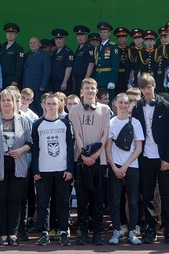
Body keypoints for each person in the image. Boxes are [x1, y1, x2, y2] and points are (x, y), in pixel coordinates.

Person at [0, 88, 33, 246]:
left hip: (18, 165)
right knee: (1, 200)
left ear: (14, 102)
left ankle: (14, 234)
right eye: (3, 100)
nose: (6, 103)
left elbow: (30, 142)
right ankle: (3, 234)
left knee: (15, 200)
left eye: (8, 100)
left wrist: (21, 150)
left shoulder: (23, 120)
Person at [131, 73, 169, 245]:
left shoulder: (164, 106)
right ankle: (151, 228)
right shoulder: (137, 107)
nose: (147, 91)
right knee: (147, 194)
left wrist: (168, 158)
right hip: (145, 158)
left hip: (162, 158)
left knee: (166, 194)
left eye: (149, 87)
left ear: (154, 86)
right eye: (143, 88)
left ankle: (168, 227)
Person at [68, 78, 110, 245]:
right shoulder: (75, 110)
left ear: (96, 90)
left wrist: (96, 154)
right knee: (82, 199)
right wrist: (84, 155)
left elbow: (105, 135)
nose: (90, 90)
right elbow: (76, 134)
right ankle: (83, 232)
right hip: (80, 161)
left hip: (100, 161)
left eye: (93, 88)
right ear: (82, 90)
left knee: (98, 200)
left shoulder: (105, 109)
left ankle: (97, 232)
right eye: (87, 88)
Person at [31, 93, 75, 246]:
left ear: (59, 105)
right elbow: (34, 149)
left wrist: (70, 169)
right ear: (43, 105)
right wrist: (35, 170)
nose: (51, 106)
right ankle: (45, 232)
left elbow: (70, 148)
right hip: (43, 170)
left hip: (62, 170)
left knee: (63, 202)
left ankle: (63, 232)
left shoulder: (65, 124)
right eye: (48, 104)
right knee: (43, 203)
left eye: (54, 104)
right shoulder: (37, 124)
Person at [106, 94, 145, 246]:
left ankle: (132, 232)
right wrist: (114, 167)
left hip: (132, 167)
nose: (123, 105)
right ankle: (116, 231)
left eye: (126, 103)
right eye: (120, 102)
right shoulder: (110, 123)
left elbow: (138, 148)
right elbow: (107, 149)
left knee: (133, 201)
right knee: (115, 201)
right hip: (115, 167)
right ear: (115, 104)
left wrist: (125, 166)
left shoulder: (135, 123)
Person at [22, 37, 51, 115]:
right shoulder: (27, 55)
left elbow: (47, 71)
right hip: (28, 87)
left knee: (39, 109)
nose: (33, 44)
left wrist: (43, 85)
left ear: (39, 44)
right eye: (31, 43)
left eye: (35, 43)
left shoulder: (44, 55)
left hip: (39, 88)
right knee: (29, 109)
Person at [91, 22, 120, 96]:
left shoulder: (113, 46)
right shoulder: (97, 47)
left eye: (104, 32)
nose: (102, 34)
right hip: (98, 79)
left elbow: (115, 64)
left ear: (109, 33)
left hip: (107, 78)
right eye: (101, 32)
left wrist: (113, 81)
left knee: (108, 99)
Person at [1, 23, 25, 89]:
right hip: (2, 78)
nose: (10, 35)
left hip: (12, 79)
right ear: (6, 34)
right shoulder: (3, 48)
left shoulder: (19, 48)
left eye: (12, 33)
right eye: (8, 33)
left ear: (16, 35)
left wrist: (15, 79)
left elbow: (19, 65)